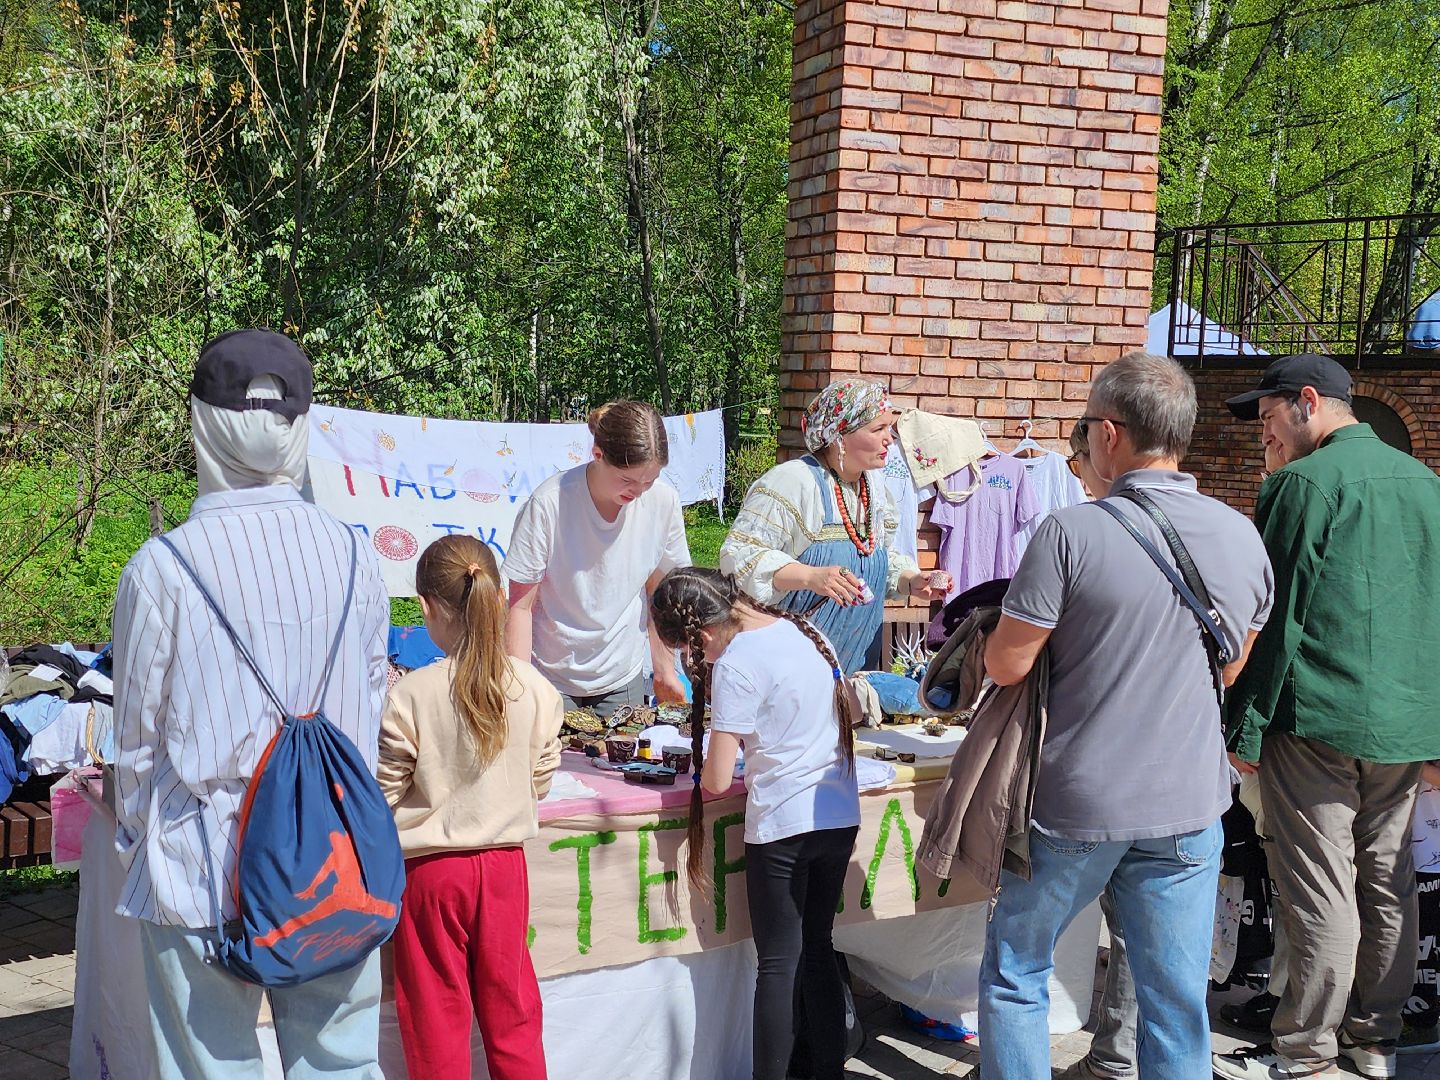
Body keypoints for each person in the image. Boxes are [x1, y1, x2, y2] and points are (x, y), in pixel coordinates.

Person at [980, 351, 1274, 1079]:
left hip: (1079, 802)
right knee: (1176, 1001)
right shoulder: (1242, 535)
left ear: (1108, 433)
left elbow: (1007, 665)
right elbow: (1231, 670)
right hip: (1188, 803)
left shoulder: (1069, 533)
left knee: (1017, 972)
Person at [111, 329, 391, 1078]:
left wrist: (136, 839)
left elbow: (135, 744)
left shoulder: (160, 570)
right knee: (340, 1064)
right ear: (303, 426)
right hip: (331, 866)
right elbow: (367, 714)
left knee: (212, 1067)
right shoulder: (359, 555)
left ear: (201, 422)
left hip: (199, 864)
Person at [1213, 353, 1440, 1080]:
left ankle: (1307, 1052)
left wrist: (1241, 727)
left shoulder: (1303, 484)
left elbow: (1273, 619)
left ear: (1309, 401)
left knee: (1320, 886)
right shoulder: (1426, 484)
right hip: (1403, 720)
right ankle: (1372, 1042)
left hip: (1317, 716)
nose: (1264, 436)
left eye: (1270, 417)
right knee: (1385, 880)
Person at [649, 566, 860, 1080]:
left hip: (784, 826)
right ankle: (827, 1069)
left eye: (690, 653)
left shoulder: (738, 664)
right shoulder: (804, 631)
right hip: (838, 815)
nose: (697, 662)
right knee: (817, 948)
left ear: (700, 636)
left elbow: (717, 779)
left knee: (778, 964)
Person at [379, 534, 563, 1080]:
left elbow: (384, 790)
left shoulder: (410, 693)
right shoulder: (532, 686)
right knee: (514, 1015)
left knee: (436, 1018)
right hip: (505, 869)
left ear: (427, 608)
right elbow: (541, 778)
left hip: (433, 875)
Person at [719, 379, 951, 673]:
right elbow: (738, 558)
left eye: (889, 429)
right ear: (840, 436)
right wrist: (809, 576)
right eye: (877, 429)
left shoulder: (875, 491)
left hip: (853, 668)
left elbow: (877, 556)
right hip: (785, 670)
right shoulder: (793, 483)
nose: (889, 440)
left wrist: (911, 581)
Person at [504, 400, 691, 714]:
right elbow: (520, 606)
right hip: (550, 677)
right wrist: (520, 687)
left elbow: (660, 594)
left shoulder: (663, 503)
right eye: (627, 480)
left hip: (621, 677)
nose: (639, 492)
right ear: (598, 455)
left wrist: (664, 671)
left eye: (649, 481)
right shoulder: (548, 503)